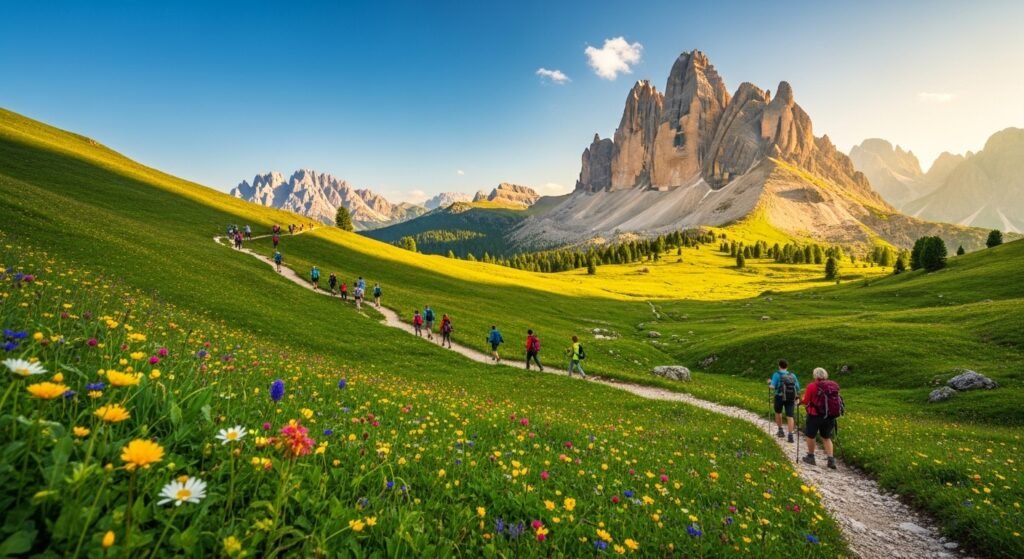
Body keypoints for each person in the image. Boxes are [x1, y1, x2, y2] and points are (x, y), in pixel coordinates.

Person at [800, 367, 841, 469]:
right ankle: (831, 459)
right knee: (826, 437)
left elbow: (806, 401)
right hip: (829, 416)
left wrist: (800, 400)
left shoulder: (811, 386)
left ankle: (811, 457)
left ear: (815, 375)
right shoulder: (833, 385)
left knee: (811, 435)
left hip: (814, 415)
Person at [767, 359, 800, 443]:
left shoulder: (776, 374)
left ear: (779, 366)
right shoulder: (792, 375)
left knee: (778, 412)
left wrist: (769, 383)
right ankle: (790, 435)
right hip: (791, 398)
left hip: (779, 396)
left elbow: (773, 387)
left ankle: (780, 430)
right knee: (790, 415)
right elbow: (797, 387)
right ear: (787, 366)